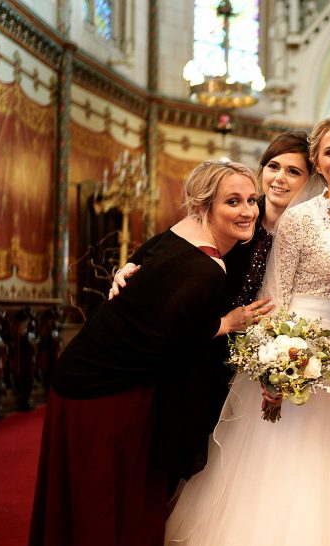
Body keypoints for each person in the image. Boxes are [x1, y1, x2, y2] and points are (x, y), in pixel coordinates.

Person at [159, 115, 330, 546]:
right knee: (287, 481)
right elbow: (277, 294)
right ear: (317, 165)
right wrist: (277, 367)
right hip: (298, 352)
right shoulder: (300, 220)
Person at [20, 160, 263, 546]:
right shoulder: (207, 269)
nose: (247, 210)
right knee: (115, 508)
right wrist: (224, 324)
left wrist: (128, 266)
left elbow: (147, 270)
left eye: (251, 200)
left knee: (95, 505)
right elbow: (166, 340)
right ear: (202, 205)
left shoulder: (177, 235)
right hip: (105, 391)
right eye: (233, 201)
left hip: (83, 380)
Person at [110, 133, 315, 483]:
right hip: (201, 341)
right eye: (273, 166)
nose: (280, 177)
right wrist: (128, 268)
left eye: (293, 171)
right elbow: (173, 242)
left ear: (310, 179)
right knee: (184, 439)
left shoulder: (311, 227)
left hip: (260, 352)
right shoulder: (238, 209)